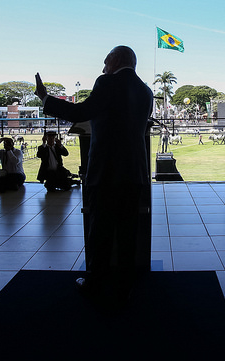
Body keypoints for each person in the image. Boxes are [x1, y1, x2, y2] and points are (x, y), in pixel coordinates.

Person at [35, 45, 153, 301]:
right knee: (128, 230)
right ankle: (125, 284)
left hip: (106, 171)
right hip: (134, 171)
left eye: (106, 60)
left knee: (100, 230)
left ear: (118, 59)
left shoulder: (107, 83)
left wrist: (45, 98)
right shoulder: (146, 91)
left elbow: (80, 113)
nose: (103, 66)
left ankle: (95, 282)